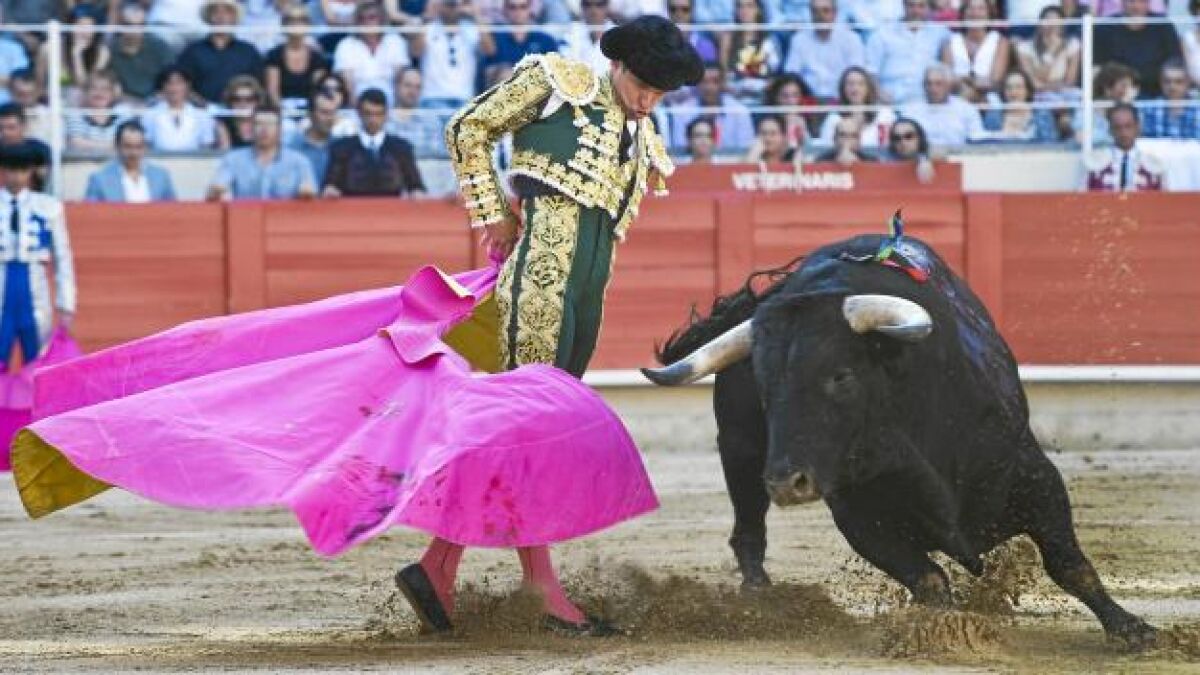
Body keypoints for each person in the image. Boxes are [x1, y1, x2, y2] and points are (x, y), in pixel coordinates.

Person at [427, 16, 702, 635]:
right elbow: (467, 128)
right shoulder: (558, 83)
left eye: (660, 94)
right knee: (532, 430)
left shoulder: (642, 134)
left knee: (527, 431)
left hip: (585, 297)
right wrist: (492, 214)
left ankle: (438, 568)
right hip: (542, 286)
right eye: (643, 86)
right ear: (618, 65)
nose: (648, 102)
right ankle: (540, 590)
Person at [0, 141, 75, 370]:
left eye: (22, 170)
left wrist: (66, 303)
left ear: (30, 171)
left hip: (34, 286)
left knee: (37, 362)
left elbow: (62, 257)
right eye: (11, 169)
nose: (16, 176)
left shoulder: (48, 207)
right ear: (3, 170)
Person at [322, 88, 425, 197]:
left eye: (378, 114)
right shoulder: (342, 148)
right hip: (352, 206)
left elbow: (416, 185)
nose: (373, 120)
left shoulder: (401, 147)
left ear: (386, 115)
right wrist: (331, 189)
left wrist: (417, 191)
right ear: (359, 113)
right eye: (368, 113)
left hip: (392, 206)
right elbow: (331, 183)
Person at [206, 105, 317, 200]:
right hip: (246, 215)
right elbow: (215, 189)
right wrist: (215, 191)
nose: (264, 129)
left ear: (280, 129)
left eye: (270, 124)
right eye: (259, 124)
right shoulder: (233, 159)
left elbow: (311, 193)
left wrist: (307, 194)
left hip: (285, 216)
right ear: (251, 128)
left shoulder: (298, 161)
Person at [412, 0, 497, 111]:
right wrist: (427, 17)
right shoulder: (429, 27)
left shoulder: (471, 29)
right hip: (432, 97)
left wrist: (476, 16)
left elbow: (490, 50)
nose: (452, 8)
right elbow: (415, 52)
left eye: (455, 4)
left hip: (464, 98)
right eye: (448, 4)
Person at [176, 0, 265, 104]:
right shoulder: (193, 51)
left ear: (234, 18)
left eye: (227, 12)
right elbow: (180, 82)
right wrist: (201, 104)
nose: (221, 16)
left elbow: (259, 86)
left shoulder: (248, 51)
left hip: (240, 109)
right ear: (208, 17)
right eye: (215, 12)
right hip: (201, 110)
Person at [866, 0, 951, 104]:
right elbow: (870, 72)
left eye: (921, 6)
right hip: (890, 99)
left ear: (928, 8)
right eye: (911, 5)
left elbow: (948, 69)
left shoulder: (940, 33)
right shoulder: (882, 33)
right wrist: (880, 94)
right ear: (904, 6)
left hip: (927, 100)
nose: (916, 11)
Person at [1093, 0, 1181, 99]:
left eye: (1141, 1)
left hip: (1158, 94)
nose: (1136, 7)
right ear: (1122, 3)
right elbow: (1096, 67)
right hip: (1116, 96)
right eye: (1131, 1)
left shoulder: (1163, 26)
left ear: (1148, 3)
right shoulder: (1105, 28)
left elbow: (1175, 63)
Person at [783, 0, 866, 103]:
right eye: (815, 11)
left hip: (842, 101)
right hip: (808, 102)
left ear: (835, 13)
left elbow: (857, 75)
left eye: (825, 11)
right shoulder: (799, 39)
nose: (820, 16)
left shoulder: (851, 39)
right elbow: (791, 75)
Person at [332, 1, 412, 103]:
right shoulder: (345, 45)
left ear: (381, 19)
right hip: (358, 103)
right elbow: (348, 86)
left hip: (391, 102)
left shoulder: (395, 41)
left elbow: (400, 80)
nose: (366, 22)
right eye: (362, 18)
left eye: (372, 17)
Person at [84, 120, 178, 202]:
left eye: (139, 147)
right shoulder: (99, 179)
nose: (134, 153)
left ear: (145, 147)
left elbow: (173, 210)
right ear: (117, 146)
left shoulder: (161, 176)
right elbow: (90, 213)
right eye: (128, 147)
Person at [669, 64, 755, 152]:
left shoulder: (740, 112)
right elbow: (680, 150)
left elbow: (746, 149)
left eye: (715, 81)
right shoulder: (682, 112)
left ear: (723, 83)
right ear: (697, 84)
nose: (709, 87)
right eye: (704, 82)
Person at [899, 63, 983, 149]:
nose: (933, 88)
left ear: (949, 86)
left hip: (958, 155)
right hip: (922, 155)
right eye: (929, 84)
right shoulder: (910, 111)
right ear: (923, 86)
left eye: (938, 84)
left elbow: (977, 141)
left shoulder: (967, 110)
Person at [1084, 103, 1163, 191]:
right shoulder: (1094, 163)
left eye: (1128, 126)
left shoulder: (1154, 165)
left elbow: (1164, 196)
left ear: (1137, 127)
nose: (1123, 133)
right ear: (1110, 129)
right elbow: (1082, 195)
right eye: (1117, 127)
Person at [940, 0, 1009, 99]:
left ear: (989, 14)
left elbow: (995, 80)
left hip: (989, 98)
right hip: (957, 97)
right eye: (970, 8)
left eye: (981, 9)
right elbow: (948, 78)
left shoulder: (1000, 42)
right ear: (963, 13)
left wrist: (967, 81)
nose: (975, 13)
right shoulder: (949, 42)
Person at [141, 67, 220, 152]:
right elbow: (146, 144)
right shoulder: (150, 114)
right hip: (159, 159)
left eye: (179, 83)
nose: (174, 88)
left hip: (194, 159)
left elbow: (207, 146)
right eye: (169, 83)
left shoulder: (201, 114)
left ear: (188, 85)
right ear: (163, 87)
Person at [265, 6, 331, 108]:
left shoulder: (317, 58)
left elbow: (317, 91)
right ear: (284, 24)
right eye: (291, 19)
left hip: (310, 110)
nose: (296, 23)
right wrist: (284, 111)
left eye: (301, 20)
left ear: (308, 25)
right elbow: (272, 92)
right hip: (281, 110)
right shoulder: (274, 55)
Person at [817, 66, 897, 150]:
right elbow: (825, 150)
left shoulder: (885, 115)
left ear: (868, 88)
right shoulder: (833, 119)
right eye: (850, 84)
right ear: (843, 89)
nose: (855, 89)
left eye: (861, 84)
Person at [109, 2, 176, 102]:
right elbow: (109, 87)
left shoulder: (159, 46)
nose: (134, 30)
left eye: (140, 25)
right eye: (129, 25)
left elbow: (173, 76)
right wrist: (132, 102)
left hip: (158, 100)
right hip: (124, 102)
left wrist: (161, 95)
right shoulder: (111, 50)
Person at [719, 0, 783, 103]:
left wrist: (760, 88)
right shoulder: (727, 39)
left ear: (758, 10)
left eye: (749, 6)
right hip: (735, 96)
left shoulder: (769, 40)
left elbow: (775, 76)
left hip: (762, 95)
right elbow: (724, 76)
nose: (744, 10)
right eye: (740, 6)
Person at [1014, 5, 1082, 102]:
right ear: (1039, 24)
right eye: (1048, 19)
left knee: (1077, 95)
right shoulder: (1025, 47)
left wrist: (1046, 85)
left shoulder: (1073, 44)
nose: (1052, 25)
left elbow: (1069, 82)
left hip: (1064, 93)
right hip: (1039, 94)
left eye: (1056, 21)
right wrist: (1052, 51)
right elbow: (1033, 83)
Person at [980, 70, 1058, 142]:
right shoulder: (993, 115)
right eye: (1009, 88)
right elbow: (987, 144)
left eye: (1019, 87)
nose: (1013, 92)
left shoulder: (1041, 115)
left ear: (1027, 90)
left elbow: (1049, 143)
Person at [389, 67, 447, 158]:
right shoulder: (383, 118)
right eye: (408, 85)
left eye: (418, 87)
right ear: (395, 86)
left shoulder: (431, 121)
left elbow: (436, 155)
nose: (413, 91)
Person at [65, 71, 130, 154]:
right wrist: (112, 146)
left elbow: (129, 141)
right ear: (86, 92)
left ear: (113, 93)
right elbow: (76, 143)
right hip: (84, 160)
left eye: (105, 89)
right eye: (94, 88)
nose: (99, 93)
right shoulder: (77, 114)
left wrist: (90, 144)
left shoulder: (122, 112)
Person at [287, 91, 340, 185]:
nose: (330, 118)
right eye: (324, 113)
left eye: (333, 113)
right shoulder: (292, 147)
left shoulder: (341, 146)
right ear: (310, 114)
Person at [1139, 60, 1200, 139]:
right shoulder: (1149, 110)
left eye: (1178, 81)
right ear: (1161, 82)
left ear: (1188, 83)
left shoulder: (1197, 109)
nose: (1172, 86)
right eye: (1167, 81)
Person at [216, 75, 268, 149]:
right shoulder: (223, 123)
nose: (243, 104)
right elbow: (225, 151)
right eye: (236, 99)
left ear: (258, 101)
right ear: (229, 101)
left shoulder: (267, 122)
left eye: (249, 99)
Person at [881, 116, 936, 183]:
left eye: (908, 136)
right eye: (897, 138)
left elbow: (943, 152)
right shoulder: (883, 160)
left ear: (919, 138)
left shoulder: (927, 156)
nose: (903, 142)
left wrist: (925, 159)